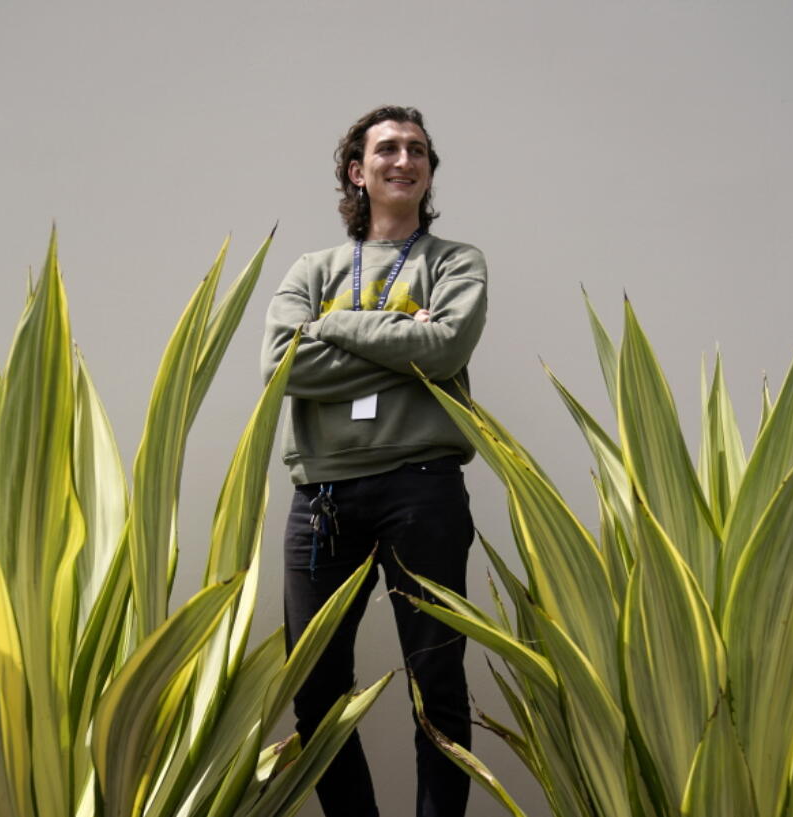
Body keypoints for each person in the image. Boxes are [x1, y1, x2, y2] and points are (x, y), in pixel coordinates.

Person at [260, 105, 488, 817]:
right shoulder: (312, 268)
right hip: (323, 498)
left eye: (418, 149)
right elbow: (285, 367)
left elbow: (445, 348)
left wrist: (333, 327)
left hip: (422, 490)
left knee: (438, 682)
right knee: (317, 688)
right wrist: (401, 335)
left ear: (426, 172)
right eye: (387, 148)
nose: (405, 158)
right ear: (358, 172)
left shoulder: (455, 262)